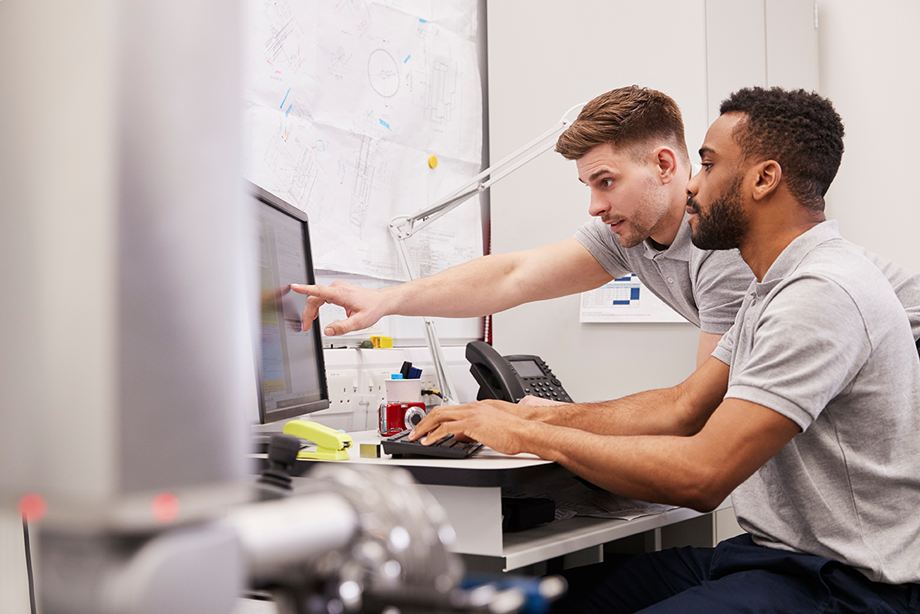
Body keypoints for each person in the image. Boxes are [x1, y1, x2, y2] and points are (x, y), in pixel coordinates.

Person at [411, 87, 920, 613]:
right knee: (542, 604)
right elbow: (682, 406)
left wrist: (529, 434)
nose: (693, 184)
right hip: (771, 556)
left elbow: (702, 475)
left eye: (707, 163)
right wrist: (539, 419)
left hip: (849, 584)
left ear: (764, 179)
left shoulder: (819, 295)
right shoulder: (772, 287)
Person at [295, 86, 756, 369]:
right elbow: (512, 276)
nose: (595, 206)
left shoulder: (720, 248)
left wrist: (541, 422)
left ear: (663, 164)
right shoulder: (629, 234)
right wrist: (385, 301)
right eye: (588, 185)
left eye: (606, 181)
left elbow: (700, 407)